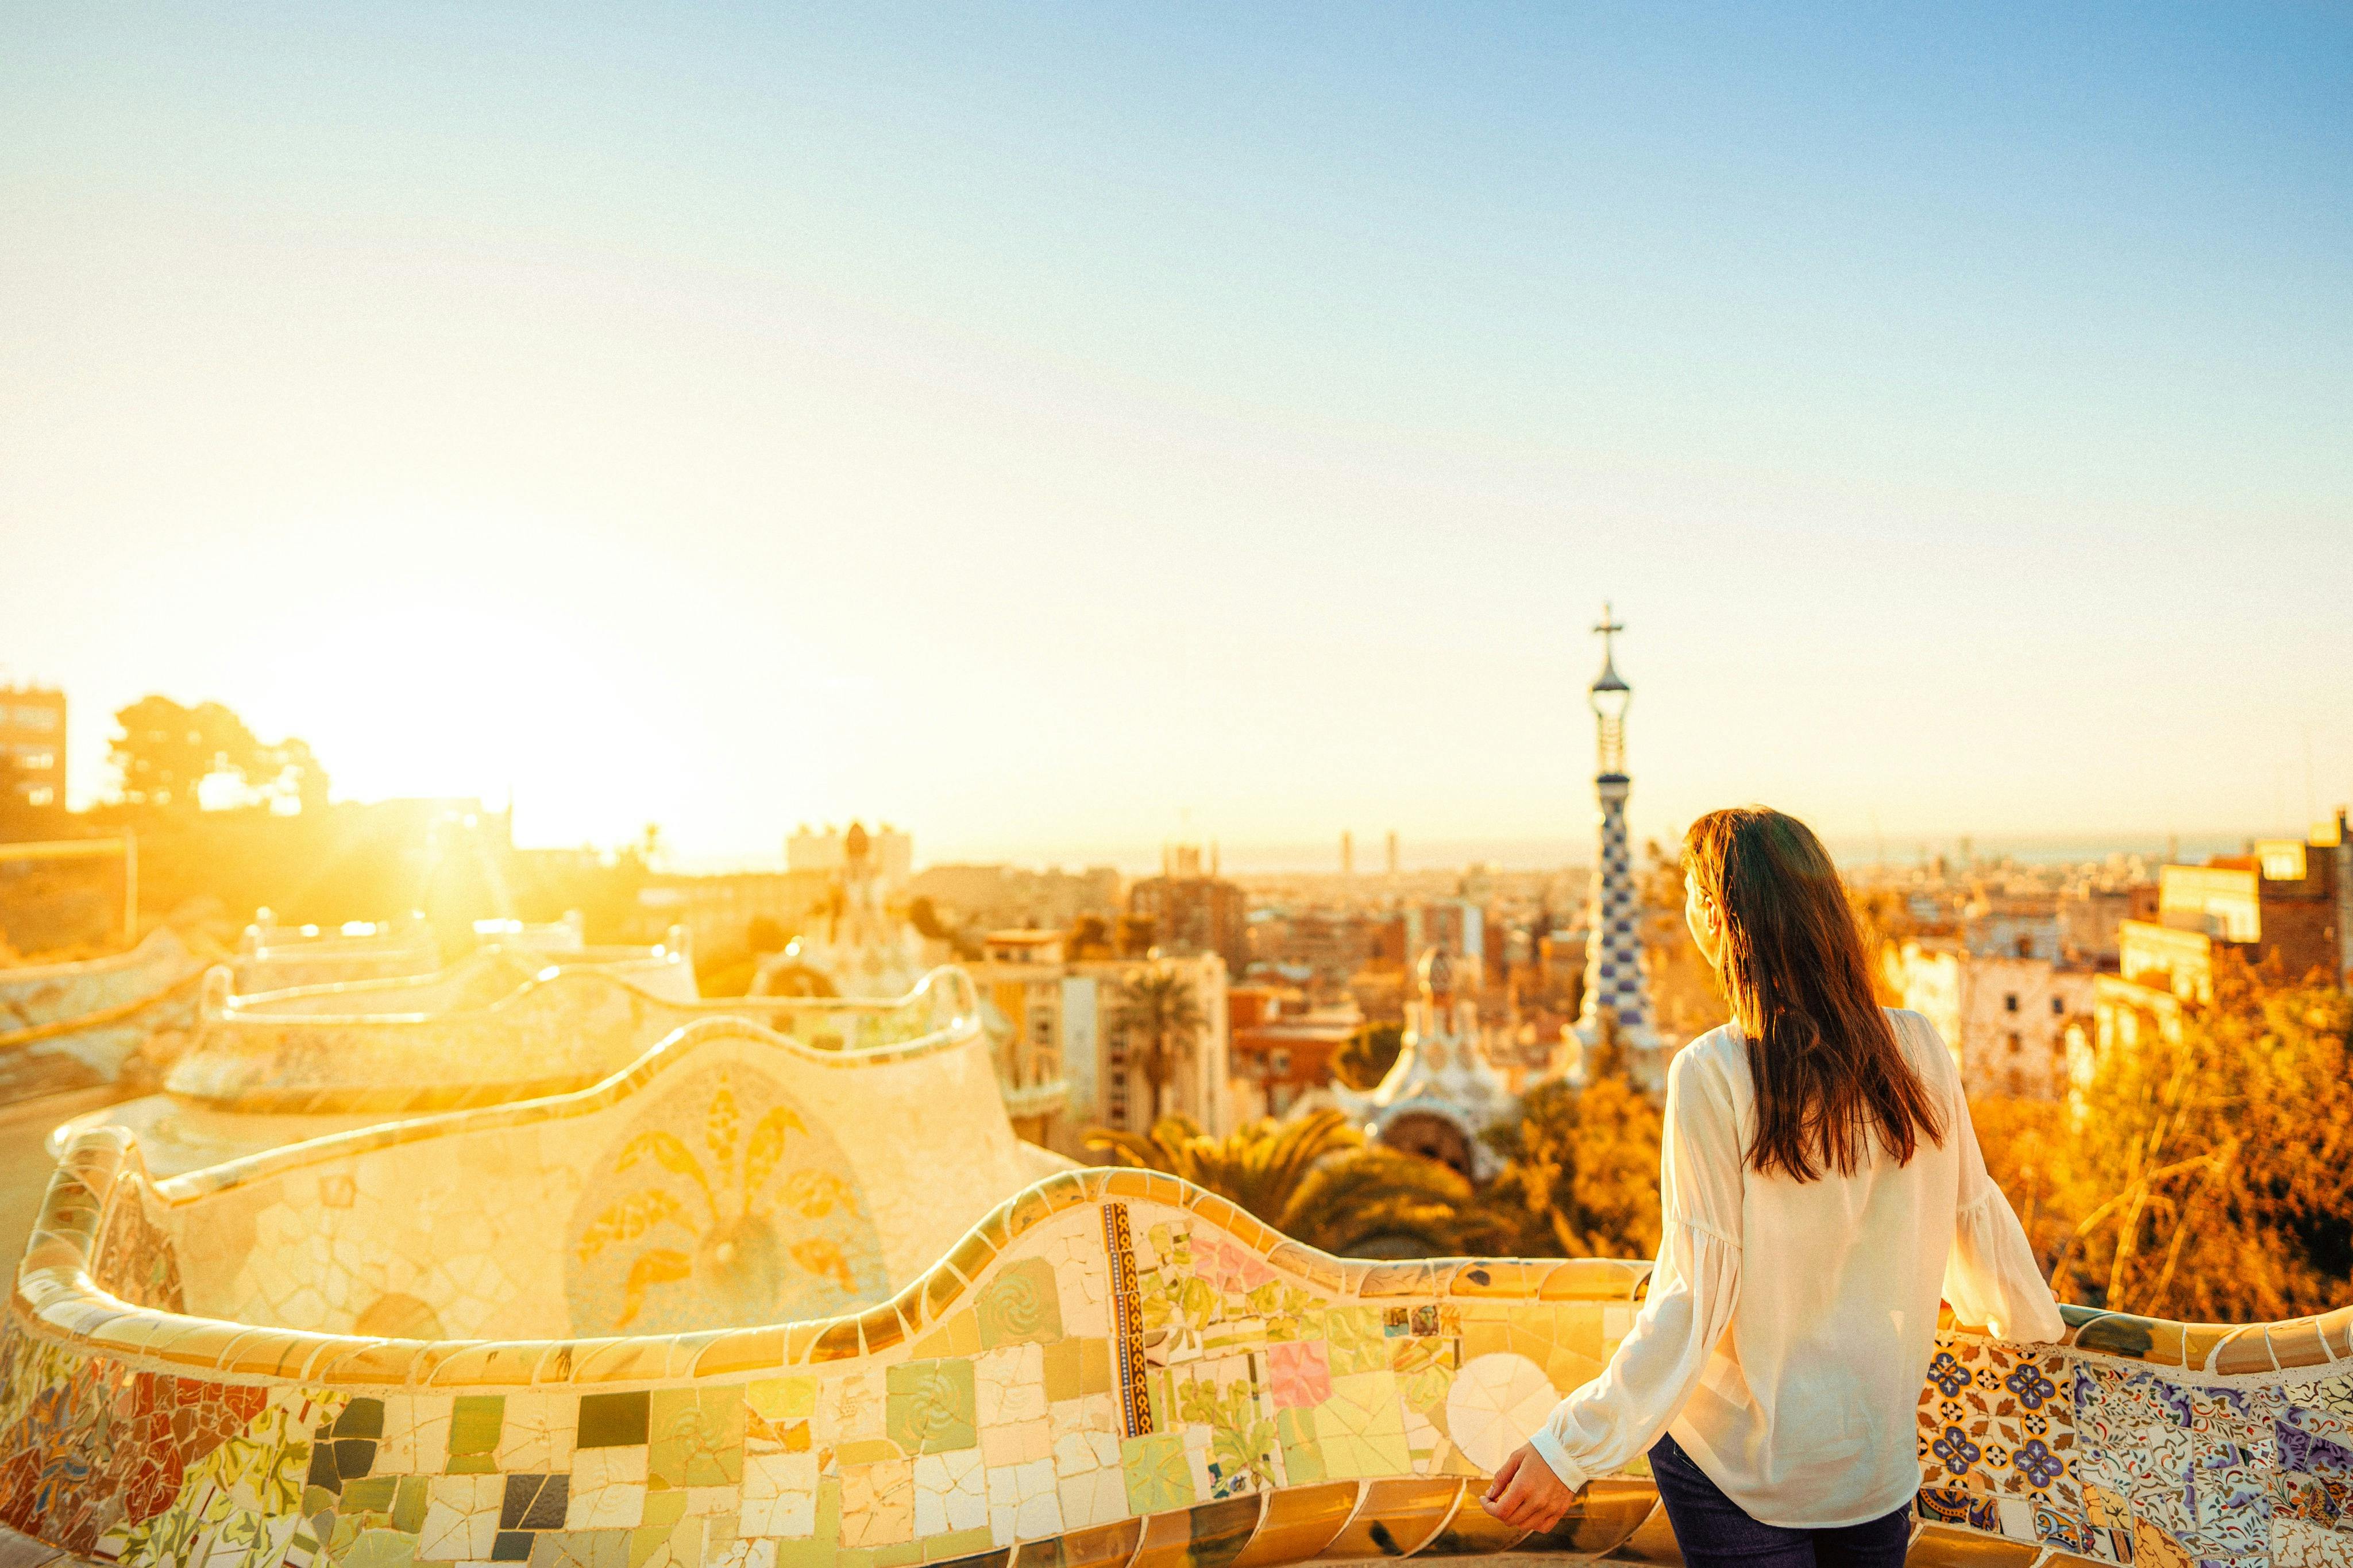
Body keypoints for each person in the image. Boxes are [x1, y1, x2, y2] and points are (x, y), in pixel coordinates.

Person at [1480, 806, 2065, 1567]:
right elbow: (1974, 1225)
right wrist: (2038, 1335)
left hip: (1736, 1461)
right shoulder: (1918, 1047)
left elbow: (1692, 1299)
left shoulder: (1712, 1073)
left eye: (1692, 894)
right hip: (1871, 1459)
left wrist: (1568, 1447)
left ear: (1719, 919)